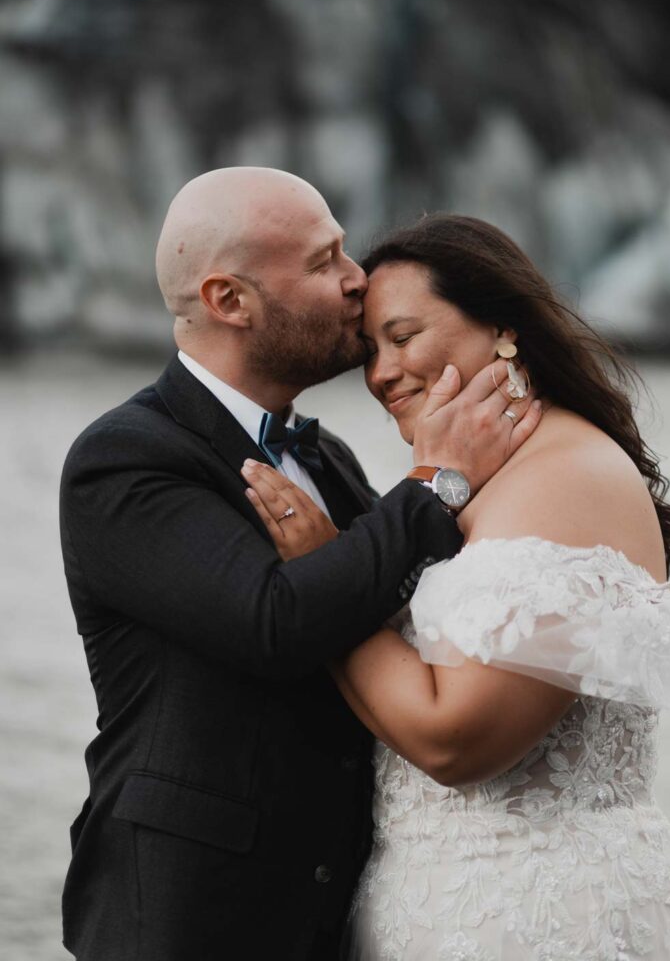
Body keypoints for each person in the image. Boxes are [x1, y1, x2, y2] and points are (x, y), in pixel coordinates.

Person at [59, 170, 541, 961]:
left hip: (339, 913)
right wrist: (439, 481)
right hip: (190, 921)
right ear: (229, 300)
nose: (357, 281)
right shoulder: (124, 460)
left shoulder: (328, 455)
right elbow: (276, 621)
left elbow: (391, 598)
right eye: (323, 264)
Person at [243, 213, 670, 960]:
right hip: (445, 906)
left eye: (403, 336)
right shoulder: (490, 480)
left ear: (502, 330)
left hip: (532, 917)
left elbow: (457, 742)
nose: (380, 373)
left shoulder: (565, 474)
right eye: (368, 352)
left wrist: (322, 575)